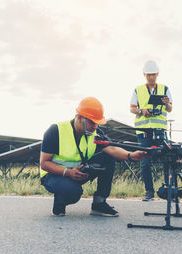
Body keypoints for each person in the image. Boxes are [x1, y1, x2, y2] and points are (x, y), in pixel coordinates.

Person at [40, 96, 147, 216]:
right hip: (54, 176)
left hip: (78, 172)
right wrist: (68, 172)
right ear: (80, 118)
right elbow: (44, 163)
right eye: (92, 122)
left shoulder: (94, 132)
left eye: (97, 123)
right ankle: (61, 200)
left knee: (108, 156)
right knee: (73, 192)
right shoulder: (55, 131)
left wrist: (131, 155)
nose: (95, 126)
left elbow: (111, 148)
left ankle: (99, 204)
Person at [129, 60, 173, 201]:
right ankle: (149, 192)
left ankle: (168, 190)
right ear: (144, 74)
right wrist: (142, 111)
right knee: (145, 161)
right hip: (144, 131)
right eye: (148, 75)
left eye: (153, 74)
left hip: (159, 130)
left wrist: (166, 104)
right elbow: (132, 108)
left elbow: (170, 109)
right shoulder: (138, 90)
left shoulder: (165, 89)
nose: (151, 77)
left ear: (157, 74)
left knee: (167, 158)